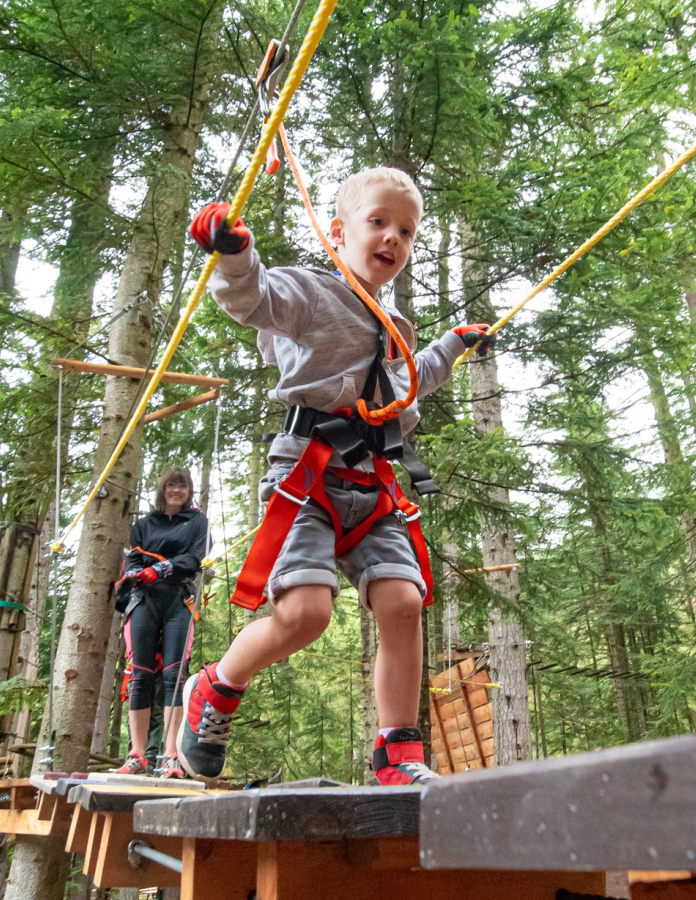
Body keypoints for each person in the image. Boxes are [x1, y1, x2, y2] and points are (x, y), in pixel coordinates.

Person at [173, 166, 494, 785]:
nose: (393, 239)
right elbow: (252, 299)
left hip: (371, 480)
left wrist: (451, 344)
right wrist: (235, 254)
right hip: (308, 474)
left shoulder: (396, 325)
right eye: (379, 223)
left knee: (404, 601)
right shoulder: (310, 292)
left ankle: (399, 754)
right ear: (339, 231)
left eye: (406, 231)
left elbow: (406, 384)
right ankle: (215, 687)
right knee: (306, 615)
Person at [113, 468, 208, 776]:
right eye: (171, 484)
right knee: (140, 676)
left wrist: (163, 568)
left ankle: (170, 755)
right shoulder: (144, 525)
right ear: (162, 489)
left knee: (175, 677)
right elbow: (134, 559)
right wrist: (133, 575)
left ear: (189, 490)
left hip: (178, 599)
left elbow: (195, 558)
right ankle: (138, 755)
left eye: (183, 485)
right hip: (144, 599)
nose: (177, 490)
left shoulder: (197, 522)